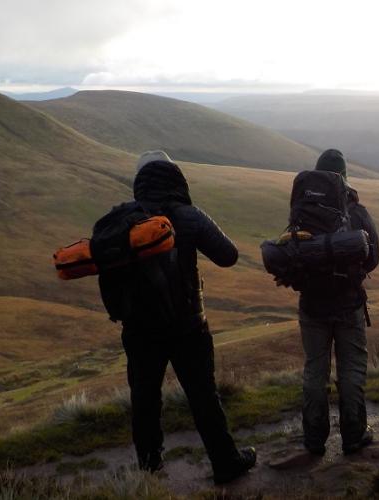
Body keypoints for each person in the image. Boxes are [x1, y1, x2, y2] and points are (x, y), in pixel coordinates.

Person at [119, 151, 256, 484]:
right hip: (188, 326)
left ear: (140, 181)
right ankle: (226, 463)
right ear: (175, 176)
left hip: (139, 329)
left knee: (144, 398)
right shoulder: (189, 215)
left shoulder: (122, 219)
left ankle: (149, 471)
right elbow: (229, 255)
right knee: (203, 395)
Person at [297, 149, 379, 456]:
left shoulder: (303, 210)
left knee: (314, 372)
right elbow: (374, 258)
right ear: (344, 177)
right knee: (352, 370)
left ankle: (314, 439)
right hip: (348, 304)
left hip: (312, 306)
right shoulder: (357, 212)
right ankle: (354, 435)